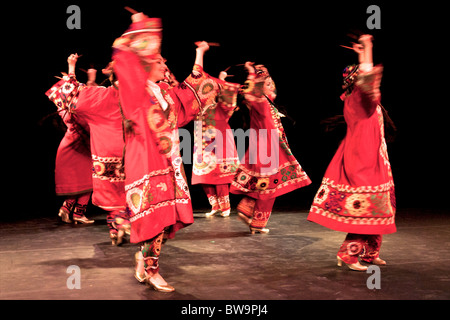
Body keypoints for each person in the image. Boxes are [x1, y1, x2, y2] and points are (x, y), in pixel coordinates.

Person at [112, 12, 221, 292]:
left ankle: (144, 259)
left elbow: (191, 93)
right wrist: (139, 25)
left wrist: (199, 53)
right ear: (147, 63)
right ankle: (151, 269)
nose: (164, 64)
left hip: (169, 162)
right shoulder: (135, 91)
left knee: (168, 217)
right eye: (159, 60)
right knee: (155, 217)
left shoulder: (164, 92)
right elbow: (125, 57)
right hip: (146, 161)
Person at [307, 35, 396, 271]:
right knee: (366, 207)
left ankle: (370, 252)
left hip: (373, 157)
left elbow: (368, 79)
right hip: (363, 159)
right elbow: (368, 77)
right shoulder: (359, 97)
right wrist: (366, 50)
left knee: (382, 206)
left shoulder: (360, 98)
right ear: (355, 81)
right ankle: (348, 254)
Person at [46, 55, 130, 245]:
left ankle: (114, 227)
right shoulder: (135, 95)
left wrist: (71, 70)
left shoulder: (98, 96)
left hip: (104, 152)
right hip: (129, 151)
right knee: (125, 191)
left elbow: (72, 95)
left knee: (109, 191)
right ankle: (119, 222)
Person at [230, 62, 312, 234]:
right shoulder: (258, 100)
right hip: (266, 148)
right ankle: (248, 211)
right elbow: (256, 91)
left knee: (269, 185)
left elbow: (271, 90)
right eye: (266, 82)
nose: (270, 84)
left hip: (270, 146)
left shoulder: (267, 101)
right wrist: (253, 73)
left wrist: (261, 75)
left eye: (269, 81)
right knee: (270, 185)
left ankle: (253, 219)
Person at [50, 53, 94, 225]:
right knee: (89, 180)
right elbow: (75, 89)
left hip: (71, 144)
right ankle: (77, 213)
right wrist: (71, 67)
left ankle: (67, 208)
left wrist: (90, 78)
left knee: (82, 182)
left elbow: (84, 91)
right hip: (79, 145)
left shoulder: (64, 109)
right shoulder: (73, 108)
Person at [192, 70, 241, 218]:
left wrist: (221, 80)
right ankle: (215, 205)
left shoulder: (221, 106)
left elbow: (229, 99)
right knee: (203, 176)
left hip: (220, 142)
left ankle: (225, 206)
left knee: (220, 176)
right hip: (201, 142)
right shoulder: (198, 107)